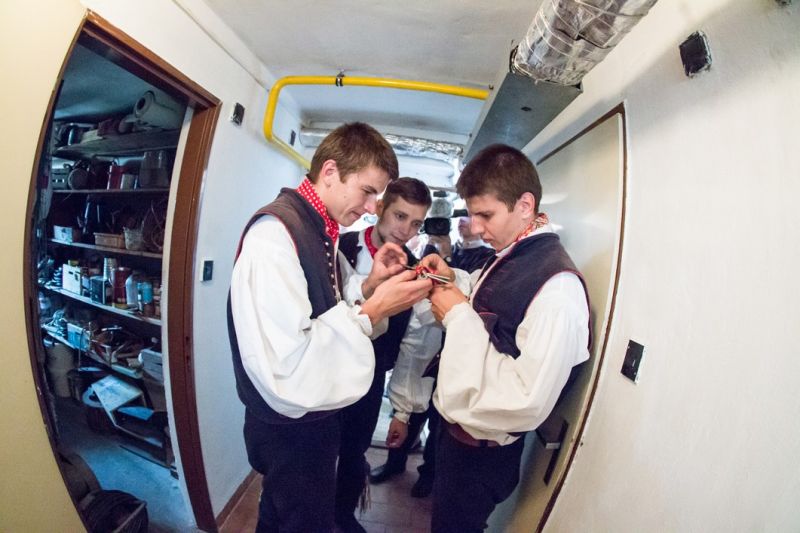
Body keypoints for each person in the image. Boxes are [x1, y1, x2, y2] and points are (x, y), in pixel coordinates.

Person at [227, 122, 434, 533]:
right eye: (368, 192)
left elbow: (327, 301)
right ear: (330, 172)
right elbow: (287, 362)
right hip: (291, 425)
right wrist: (374, 310)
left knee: (278, 515)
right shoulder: (274, 237)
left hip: (310, 418)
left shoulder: (319, 229)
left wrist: (369, 286)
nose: (372, 208)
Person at [420, 143, 591, 532]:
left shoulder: (558, 293)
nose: (476, 228)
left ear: (525, 206)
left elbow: (526, 399)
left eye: (486, 215)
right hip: (457, 438)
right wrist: (452, 278)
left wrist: (457, 316)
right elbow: (492, 304)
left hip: (480, 456)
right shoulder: (514, 252)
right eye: (472, 214)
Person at [334, 177, 442, 532]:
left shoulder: (415, 270)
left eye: (416, 223)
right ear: (379, 208)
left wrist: (402, 411)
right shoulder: (341, 246)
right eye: (400, 216)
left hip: (371, 377)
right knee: (318, 449)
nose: (405, 230)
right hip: (326, 367)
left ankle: (343, 516)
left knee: (354, 450)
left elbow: (414, 346)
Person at [369, 217, 491, 498]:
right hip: (426, 347)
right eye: (463, 217)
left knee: (439, 424)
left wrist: (447, 258)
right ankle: (394, 463)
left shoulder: (485, 257)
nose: (466, 223)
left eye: (476, 216)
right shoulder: (428, 250)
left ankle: (428, 474)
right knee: (411, 414)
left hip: (458, 354)